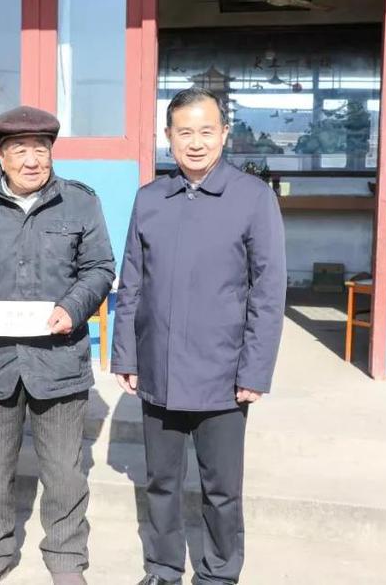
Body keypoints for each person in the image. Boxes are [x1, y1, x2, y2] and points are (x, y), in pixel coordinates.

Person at [111, 87, 287, 585]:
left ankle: (219, 573)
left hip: (223, 373)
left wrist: (255, 370)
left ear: (224, 134)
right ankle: (163, 568)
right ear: (167, 136)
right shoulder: (150, 199)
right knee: (161, 482)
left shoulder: (253, 198)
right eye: (184, 132)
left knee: (222, 488)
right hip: (160, 367)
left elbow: (268, 292)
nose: (195, 143)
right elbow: (132, 283)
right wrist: (126, 355)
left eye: (206, 131)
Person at [0, 105, 115, 585]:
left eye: (41, 149)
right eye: (20, 150)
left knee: (64, 470)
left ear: (52, 152)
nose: (32, 160)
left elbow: (99, 267)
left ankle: (66, 558)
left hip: (58, 360)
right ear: (1, 155)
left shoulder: (80, 203)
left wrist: (73, 308)